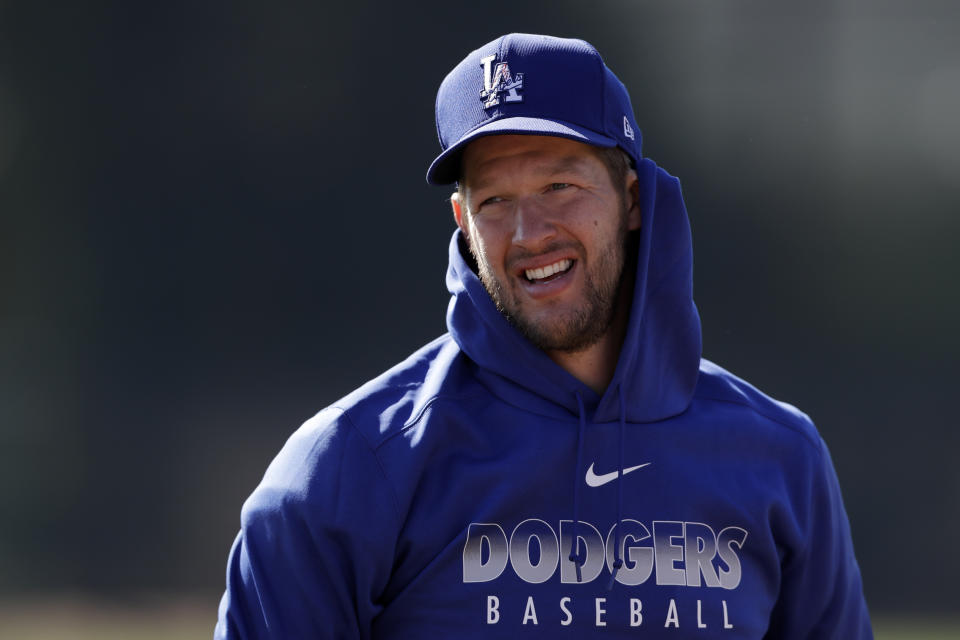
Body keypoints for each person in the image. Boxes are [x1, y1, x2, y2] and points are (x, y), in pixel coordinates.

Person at [214, 33, 872, 639]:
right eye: (494, 201)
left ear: (633, 198)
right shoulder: (348, 471)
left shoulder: (781, 460)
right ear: (462, 221)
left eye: (560, 185)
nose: (529, 234)